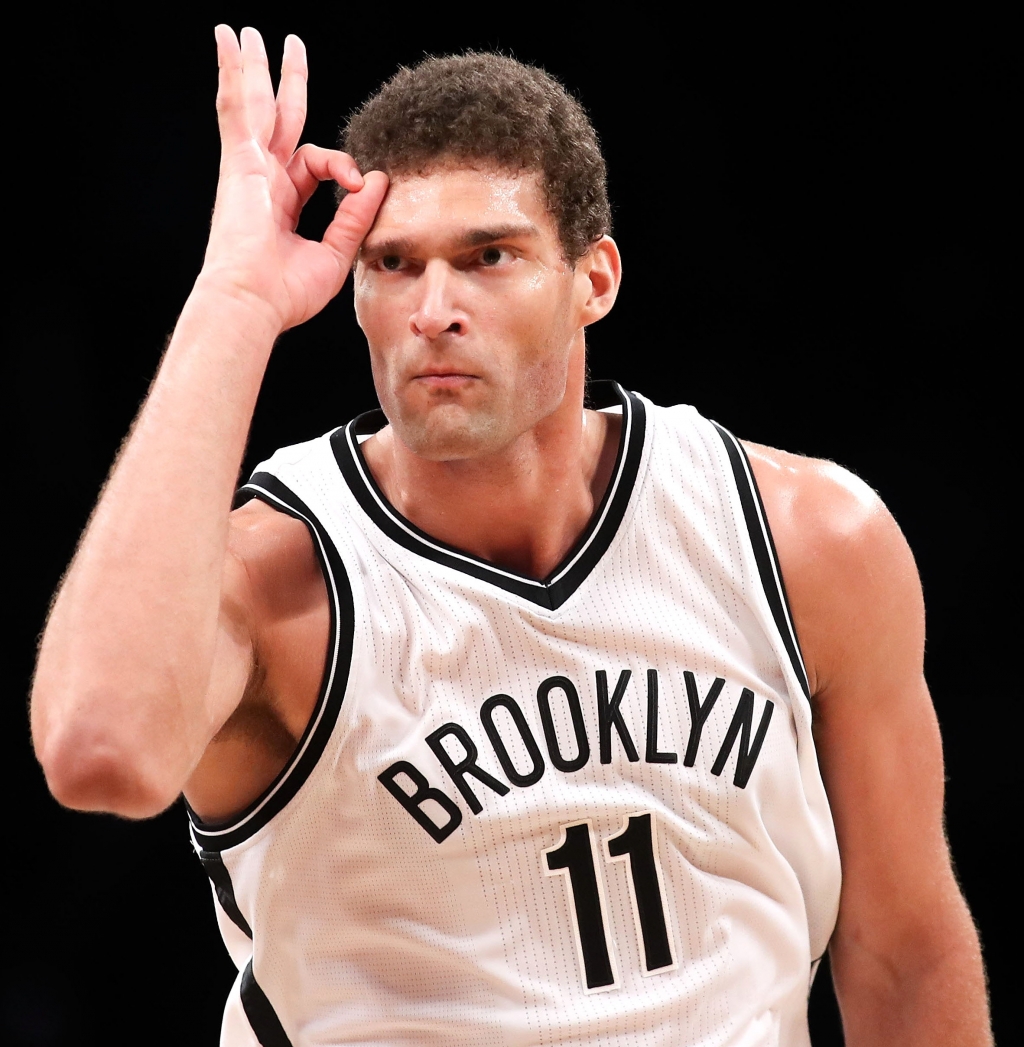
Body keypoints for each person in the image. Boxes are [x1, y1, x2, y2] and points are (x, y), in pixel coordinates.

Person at [30, 24, 991, 1046]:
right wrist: (231, 302)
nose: (434, 309)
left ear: (595, 279)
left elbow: (901, 952)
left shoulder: (803, 540)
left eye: (488, 257)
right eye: (392, 265)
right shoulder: (281, 579)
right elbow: (101, 753)